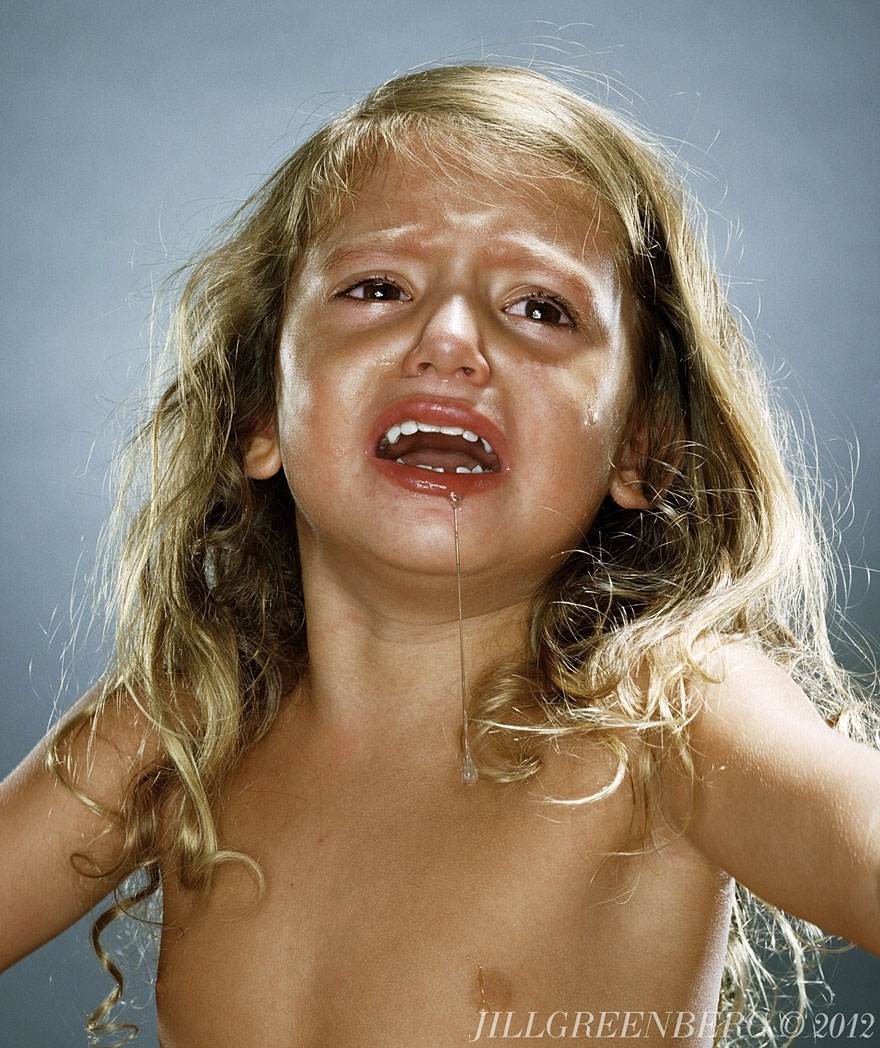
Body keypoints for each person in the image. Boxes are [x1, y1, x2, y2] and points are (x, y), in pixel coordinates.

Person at [0, 63, 878, 1048]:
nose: (449, 339)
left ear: (642, 445)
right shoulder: (180, 722)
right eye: (377, 288)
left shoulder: (672, 712)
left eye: (542, 309)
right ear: (260, 416)